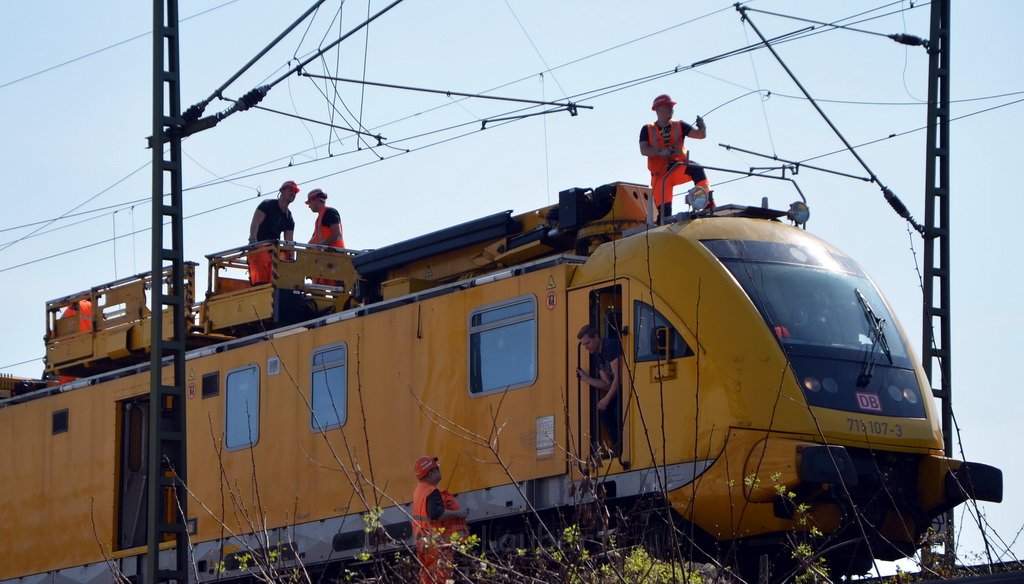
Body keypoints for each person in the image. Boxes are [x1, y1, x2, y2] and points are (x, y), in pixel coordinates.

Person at [639, 94, 712, 220]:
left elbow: (700, 135)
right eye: (667, 106)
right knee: (664, 215)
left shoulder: (679, 125)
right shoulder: (647, 129)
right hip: (660, 177)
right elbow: (643, 150)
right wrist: (661, 152)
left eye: (671, 107)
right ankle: (664, 223)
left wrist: (702, 127)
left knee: (697, 169)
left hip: (678, 167)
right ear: (658, 110)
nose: (671, 109)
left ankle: (708, 203)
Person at [411, 455, 469, 584]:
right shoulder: (431, 492)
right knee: (441, 577)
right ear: (431, 473)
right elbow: (436, 513)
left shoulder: (419, 490)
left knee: (428, 577)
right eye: (437, 469)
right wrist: (460, 513)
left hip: (423, 542)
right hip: (436, 544)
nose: (439, 470)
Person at [576, 324, 622, 452]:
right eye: (583, 345)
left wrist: (607, 398)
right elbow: (607, 383)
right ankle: (618, 444)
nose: (585, 347)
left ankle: (622, 444)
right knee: (605, 413)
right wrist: (586, 379)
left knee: (617, 411)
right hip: (616, 390)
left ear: (596, 337)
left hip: (625, 389)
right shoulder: (597, 355)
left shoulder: (610, 347)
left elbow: (619, 378)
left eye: (588, 343)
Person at [247, 180, 298, 285]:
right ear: (282, 191)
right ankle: (259, 287)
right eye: (290, 190)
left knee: (282, 263)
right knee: (260, 268)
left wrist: (291, 256)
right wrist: (253, 241)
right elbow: (255, 222)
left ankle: (277, 289)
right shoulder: (267, 205)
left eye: (295, 192)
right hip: (260, 246)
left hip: (274, 250)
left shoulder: (289, 217)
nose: (293, 194)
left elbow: (289, 240)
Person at [305, 188, 345, 286]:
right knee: (319, 290)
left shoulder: (330, 212)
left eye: (309, 202)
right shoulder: (319, 218)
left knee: (337, 292)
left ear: (316, 200)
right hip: (324, 260)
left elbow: (336, 234)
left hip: (335, 258)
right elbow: (314, 239)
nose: (309, 206)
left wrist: (321, 246)